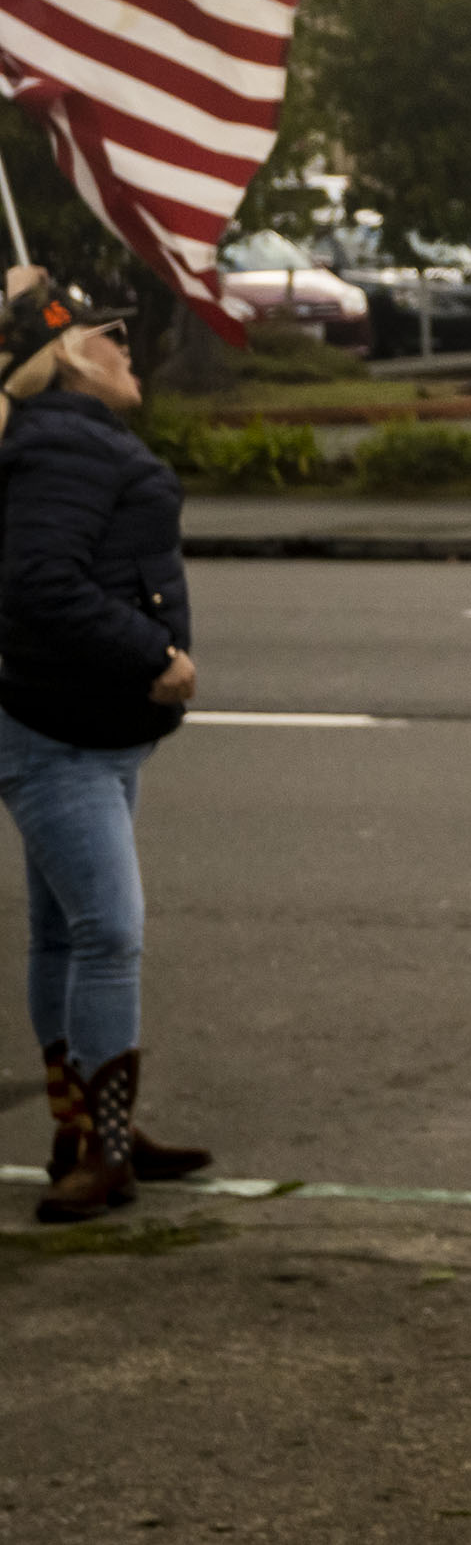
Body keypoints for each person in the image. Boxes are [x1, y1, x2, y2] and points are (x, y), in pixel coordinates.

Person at [0, 272, 209, 1223]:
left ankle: (84, 1128)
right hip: (63, 732)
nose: (128, 344)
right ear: (72, 355)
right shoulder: (64, 449)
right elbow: (40, 581)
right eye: (109, 333)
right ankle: (104, 1147)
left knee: (64, 933)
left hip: (80, 725)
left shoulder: (64, 441)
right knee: (109, 933)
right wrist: (154, 654)